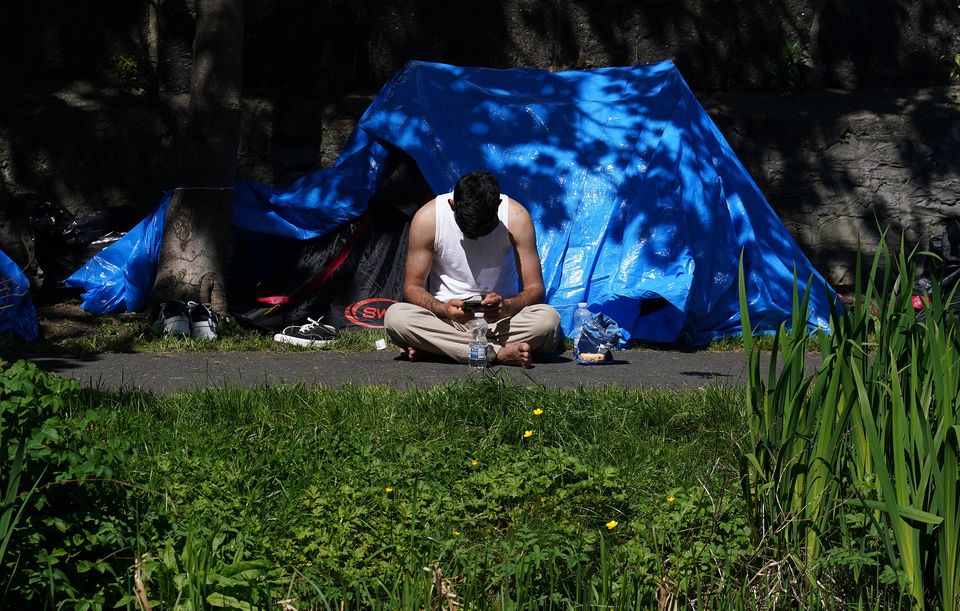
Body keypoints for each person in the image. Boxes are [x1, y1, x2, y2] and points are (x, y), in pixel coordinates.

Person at [384, 171, 561, 368]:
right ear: (452, 205)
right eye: (467, 229)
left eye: (484, 229)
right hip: (448, 321)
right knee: (396, 317)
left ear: (498, 206)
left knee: (548, 320)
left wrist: (507, 306)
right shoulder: (428, 218)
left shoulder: (516, 217)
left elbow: (535, 289)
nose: (475, 237)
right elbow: (412, 288)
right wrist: (444, 309)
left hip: (500, 322)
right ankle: (497, 353)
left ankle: (441, 350)